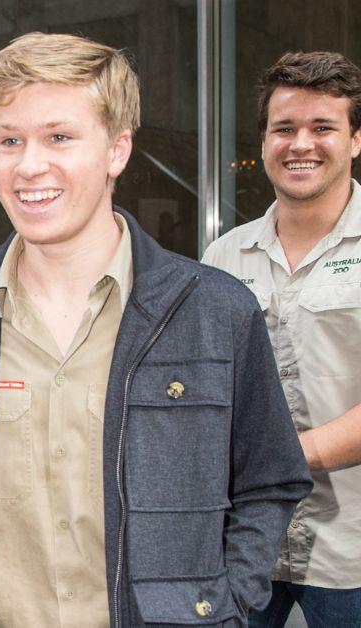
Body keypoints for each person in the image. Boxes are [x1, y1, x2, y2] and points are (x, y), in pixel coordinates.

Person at [0, 33, 312, 627]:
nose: (29, 164)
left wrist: (226, 603)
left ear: (117, 150)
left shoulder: (214, 311)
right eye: (9, 140)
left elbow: (271, 481)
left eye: (59, 137)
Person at [202, 51, 361, 628]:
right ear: (265, 141)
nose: (301, 144)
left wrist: (275, 460)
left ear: (356, 139)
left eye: (323, 128)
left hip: (352, 554)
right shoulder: (223, 256)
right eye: (284, 128)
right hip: (250, 548)